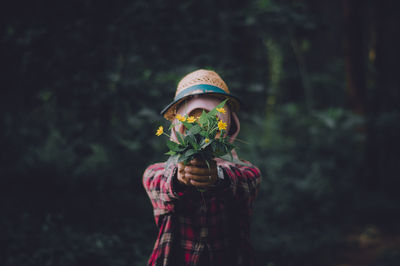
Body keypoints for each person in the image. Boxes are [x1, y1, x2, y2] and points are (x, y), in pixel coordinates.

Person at [143, 69, 261, 266]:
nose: (199, 129)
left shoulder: (243, 172)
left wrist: (218, 177)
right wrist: (179, 178)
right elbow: (156, 181)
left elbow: (247, 180)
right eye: (191, 122)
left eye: (211, 121)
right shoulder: (163, 171)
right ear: (177, 125)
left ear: (227, 125)